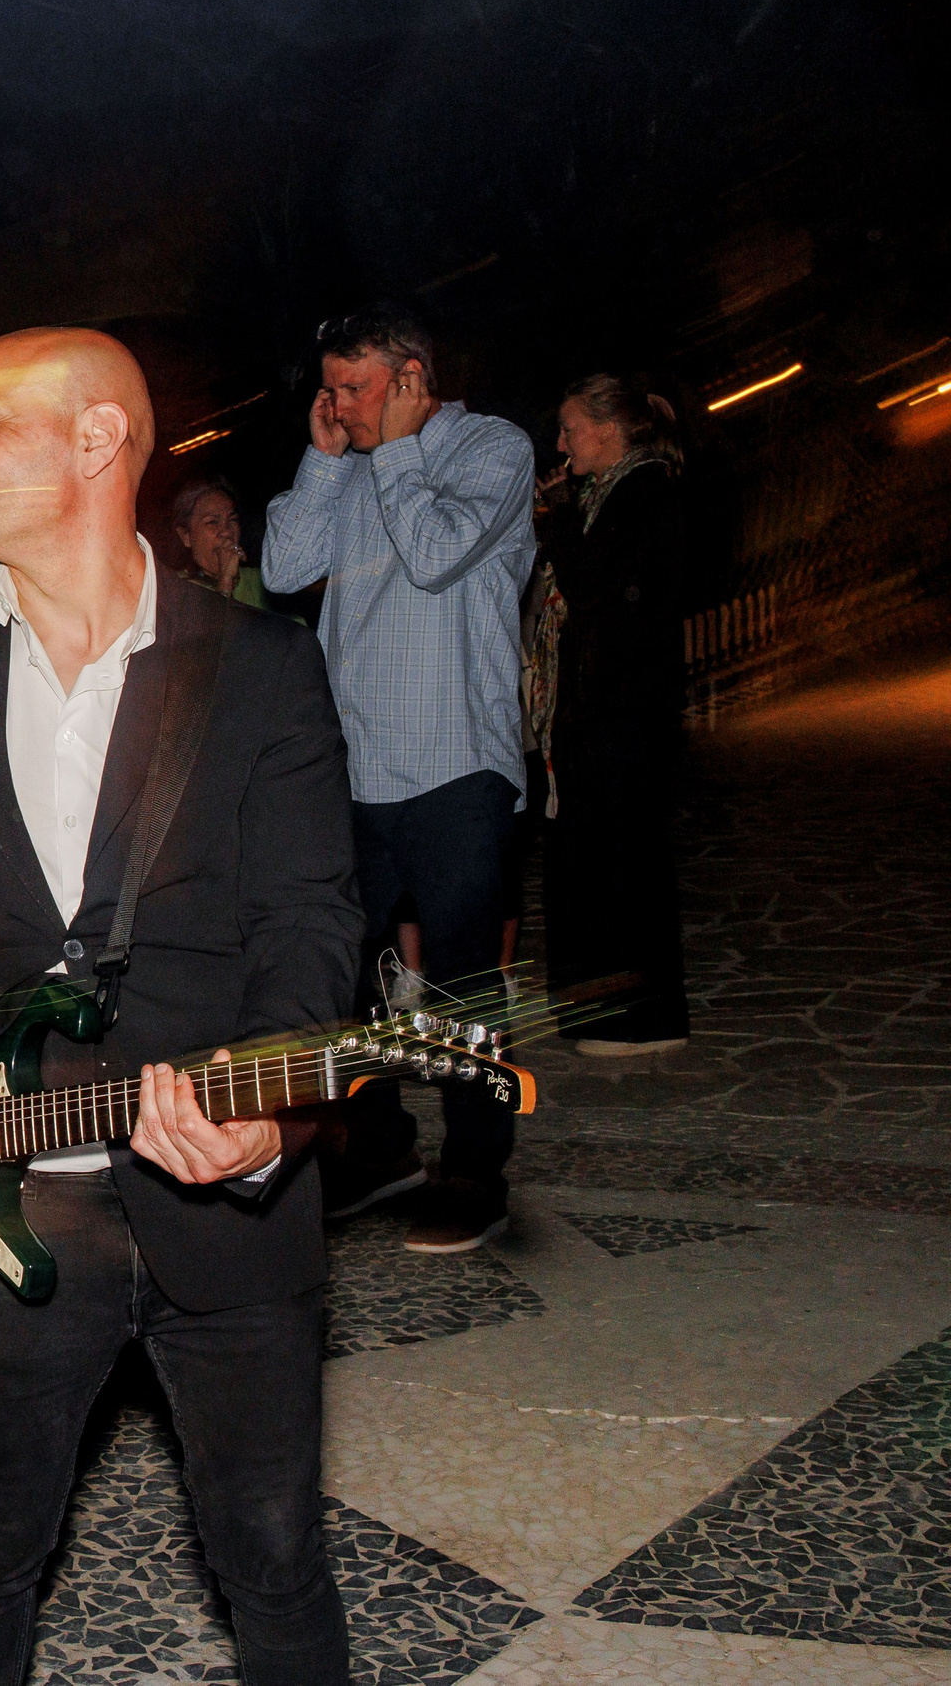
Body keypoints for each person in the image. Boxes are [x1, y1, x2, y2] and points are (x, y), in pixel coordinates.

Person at [0, 328, 362, 1685]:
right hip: (0, 1203)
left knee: (275, 1557)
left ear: (101, 442)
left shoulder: (260, 665)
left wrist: (274, 1111)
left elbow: (310, 926)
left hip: (228, 1206)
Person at [261, 303, 537, 1255]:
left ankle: (474, 1168)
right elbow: (283, 566)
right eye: (328, 388)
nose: (337, 404)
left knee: (462, 978)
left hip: (457, 755)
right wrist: (326, 458)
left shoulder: (489, 448)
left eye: (356, 387)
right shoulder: (353, 457)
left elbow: (432, 556)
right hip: (359, 763)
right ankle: (380, 1147)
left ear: (413, 376)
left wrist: (401, 448)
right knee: (351, 974)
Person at [543, 373, 691, 1054]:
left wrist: (560, 517)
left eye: (572, 429)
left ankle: (638, 1020)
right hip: (603, 712)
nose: (563, 443)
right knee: (599, 861)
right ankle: (609, 1014)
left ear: (609, 430)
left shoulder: (645, 491)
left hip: (625, 713)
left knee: (624, 865)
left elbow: (597, 586)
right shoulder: (613, 492)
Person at [169, 477, 274, 612]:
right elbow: (211, 630)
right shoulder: (175, 589)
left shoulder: (263, 581)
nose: (226, 532)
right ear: (186, 536)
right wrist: (225, 581)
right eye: (212, 522)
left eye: (232, 520)